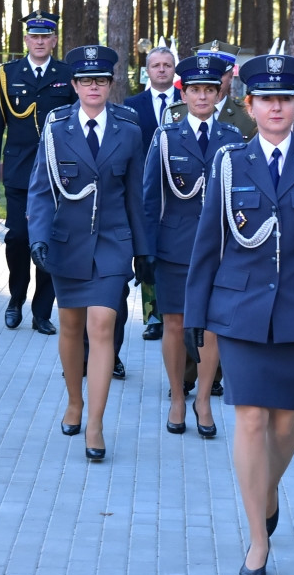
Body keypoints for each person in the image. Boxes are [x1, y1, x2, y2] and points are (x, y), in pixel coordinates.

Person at [185, 53, 294, 575]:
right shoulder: (230, 162)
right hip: (238, 312)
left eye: (286, 99)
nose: (276, 107)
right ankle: (258, 539)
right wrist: (196, 312)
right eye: (266, 100)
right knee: (251, 419)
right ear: (250, 105)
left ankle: (269, 487)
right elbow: (208, 243)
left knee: (286, 426)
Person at [26, 44, 151, 462]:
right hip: (68, 242)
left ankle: (95, 424)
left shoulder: (130, 129)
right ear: (75, 85)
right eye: (85, 81)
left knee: (102, 325)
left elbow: (137, 196)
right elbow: (41, 190)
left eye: (100, 80)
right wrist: (38, 235)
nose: (93, 86)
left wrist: (143, 249)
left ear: (110, 84)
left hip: (113, 243)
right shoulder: (56, 126)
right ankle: (74, 401)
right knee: (71, 326)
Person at [142, 54, 240, 437]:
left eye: (209, 90)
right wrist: (146, 249)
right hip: (175, 246)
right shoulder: (166, 138)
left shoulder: (232, 140)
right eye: (195, 89)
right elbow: (151, 197)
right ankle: (178, 399)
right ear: (185, 93)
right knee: (174, 323)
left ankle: (202, 398)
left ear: (218, 94)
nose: (202, 97)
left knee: (211, 327)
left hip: (219, 248)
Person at [0, 10, 76, 336]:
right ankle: (16, 297)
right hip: (21, 172)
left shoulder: (67, 74)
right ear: (26, 40)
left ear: (53, 40)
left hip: (57, 174)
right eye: (33, 37)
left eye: (45, 37)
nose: (39, 42)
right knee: (18, 238)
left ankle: (41, 311)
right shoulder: (7, 74)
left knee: (51, 241)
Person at [125, 46, 181, 342]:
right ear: (147, 70)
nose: (162, 69)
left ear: (174, 70)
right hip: (144, 190)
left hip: (179, 190)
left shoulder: (185, 103)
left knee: (172, 252)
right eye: (156, 65)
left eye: (167, 65)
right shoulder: (132, 105)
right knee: (147, 251)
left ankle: (173, 310)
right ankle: (153, 316)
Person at [192, 39, 256, 139]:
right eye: (209, 73)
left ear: (231, 77)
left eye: (220, 74)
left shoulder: (248, 116)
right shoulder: (177, 113)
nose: (214, 80)